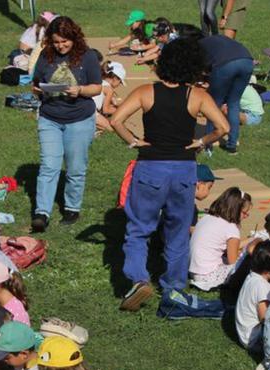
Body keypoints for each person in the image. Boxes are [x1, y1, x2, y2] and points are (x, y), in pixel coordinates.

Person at [111, 38, 228, 312]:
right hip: (184, 169)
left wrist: (133, 141)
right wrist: (201, 142)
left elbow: (116, 120)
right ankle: (173, 289)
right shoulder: (197, 96)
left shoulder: (145, 91)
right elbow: (222, 127)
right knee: (177, 232)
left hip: (151, 166)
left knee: (139, 230)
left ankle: (139, 280)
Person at [30, 16, 103, 231]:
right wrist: (38, 90)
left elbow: (97, 88)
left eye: (65, 41)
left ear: (74, 37)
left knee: (75, 167)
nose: (61, 46)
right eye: (56, 42)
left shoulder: (88, 57)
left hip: (79, 119)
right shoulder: (46, 56)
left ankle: (72, 207)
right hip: (50, 118)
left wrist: (79, 90)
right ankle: (41, 212)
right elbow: (36, 83)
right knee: (48, 166)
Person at [189, 187, 251, 291]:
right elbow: (233, 262)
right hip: (207, 276)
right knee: (248, 264)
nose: (246, 216)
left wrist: (251, 240)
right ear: (235, 210)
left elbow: (227, 245)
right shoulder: (231, 228)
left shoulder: (208, 217)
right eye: (244, 213)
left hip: (194, 271)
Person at [200, 34, 253, 154]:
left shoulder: (199, 46)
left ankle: (208, 144)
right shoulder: (218, 39)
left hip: (226, 64)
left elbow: (202, 67)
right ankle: (232, 145)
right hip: (247, 61)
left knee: (213, 104)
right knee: (234, 103)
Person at [234, 240, 270, 350]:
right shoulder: (262, 286)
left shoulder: (253, 277)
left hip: (245, 333)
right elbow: (265, 318)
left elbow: (259, 298)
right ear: (268, 270)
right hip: (253, 339)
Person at [94, 61, 126, 132]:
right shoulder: (109, 89)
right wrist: (120, 110)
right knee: (112, 129)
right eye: (120, 82)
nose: (119, 84)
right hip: (90, 112)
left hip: (83, 108)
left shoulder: (99, 80)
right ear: (115, 78)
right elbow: (106, 110)